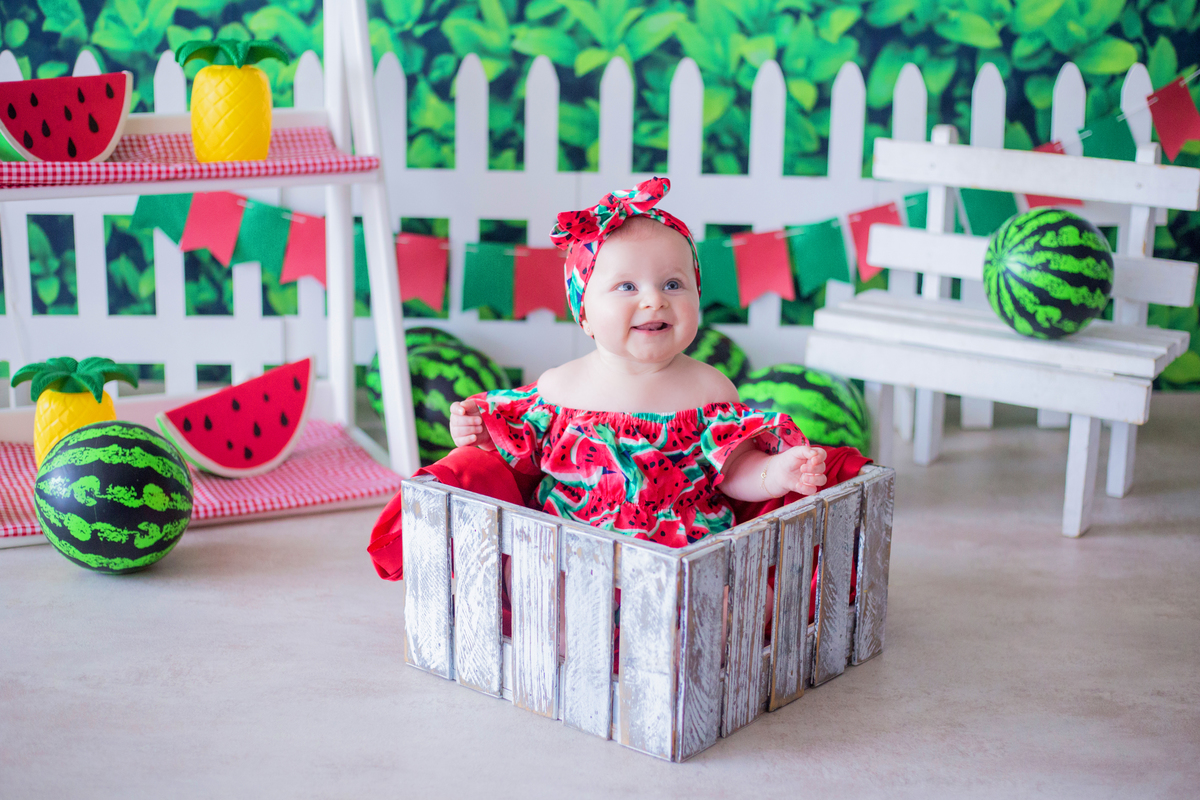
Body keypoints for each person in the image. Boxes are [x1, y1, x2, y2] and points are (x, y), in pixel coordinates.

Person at [448, 177, 830, 548]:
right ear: (583, 314)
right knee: (523, 580)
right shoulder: (560, 388)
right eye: (627, 287)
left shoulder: (710, 391)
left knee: (744, 599)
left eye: (673, 284)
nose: (654, 300)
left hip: (683, 553)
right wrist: (478, 429)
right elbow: (515, 447)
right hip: (572, 546)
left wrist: (776, 473)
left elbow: (734, 472)